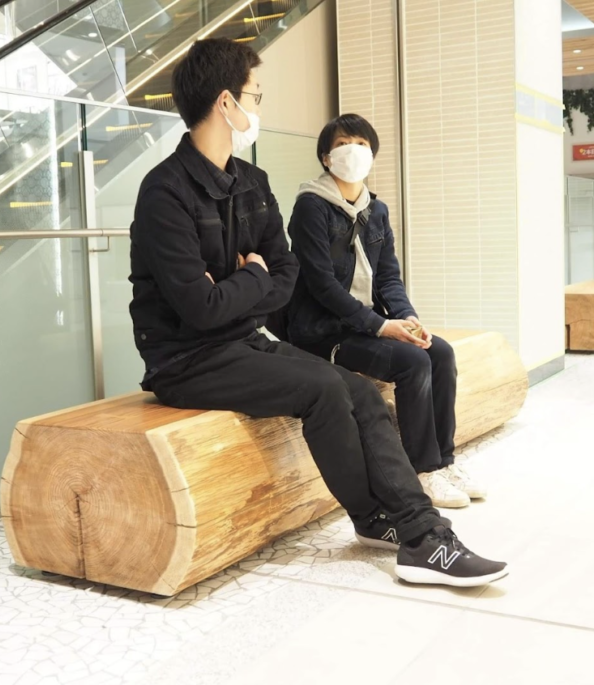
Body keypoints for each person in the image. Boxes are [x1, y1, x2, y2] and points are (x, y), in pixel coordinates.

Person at [128, 38, 507, 587]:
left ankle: (397, 525)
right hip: (184, 360)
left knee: (358, 392)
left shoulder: (251, 183)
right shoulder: (164, 191)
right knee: (325, 389)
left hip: (245, 343)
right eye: (255, 96)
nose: (258, 107)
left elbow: (285, 281)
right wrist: (253, 275)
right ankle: (419, 538)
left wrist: (245, 281)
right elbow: (201, 308)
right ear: (226, 103)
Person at [285, 113, 483, 510]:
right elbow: (322, 285)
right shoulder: (311, 206)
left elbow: (388, 276)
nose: (353, 150)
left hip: (366, 324)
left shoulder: (376, 210)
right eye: (343, 143)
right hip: (323, 331)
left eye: (362, 144)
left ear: (373, 154)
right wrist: (380, 326)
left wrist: (407, 318)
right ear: (326, 157)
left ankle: (444, 461)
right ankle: (422, 470)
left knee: (440, 353)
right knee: (412, 363)